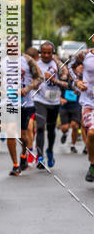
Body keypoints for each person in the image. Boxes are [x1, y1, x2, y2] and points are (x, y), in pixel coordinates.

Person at [32, 41, 69, 169]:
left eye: (49, 53)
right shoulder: (36, 65)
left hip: (54, 100)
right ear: (40, 53)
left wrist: (53, 79)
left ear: (53, 53)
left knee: (51, 130)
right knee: (41, 127)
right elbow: (30, 81)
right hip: (40, 100)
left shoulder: (58, 65)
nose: (46, 55)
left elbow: (66, 83)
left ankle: (50, 151)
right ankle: (40, 156)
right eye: (43, 52)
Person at [7, 52, 42, 176]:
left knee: (23, 136)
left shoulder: (27, 60)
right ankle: (15, 165)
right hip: (8, 103)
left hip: (25, 103)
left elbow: (40, 78)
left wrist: (26, 89)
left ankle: (23, 155)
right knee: (10, 132)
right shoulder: (0, 61)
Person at [68, 49, 94, 181]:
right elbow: (70, 66)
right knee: (91, 133)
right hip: (89, 101)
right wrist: (77, 81)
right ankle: (92, 163)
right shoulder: (85, 55)